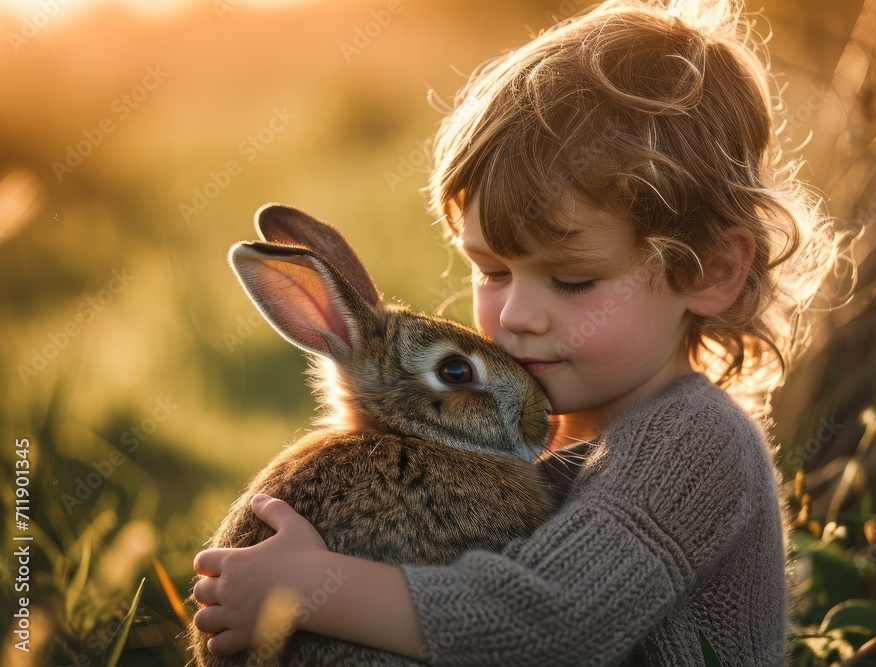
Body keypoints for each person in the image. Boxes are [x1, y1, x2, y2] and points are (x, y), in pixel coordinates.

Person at [192, 0, 842, 663]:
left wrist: (312, 587)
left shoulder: (693, 440)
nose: (515, 316)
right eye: (493, 271)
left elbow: (552, 621)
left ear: (710, 270)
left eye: (572, 280)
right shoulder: (554, 434)